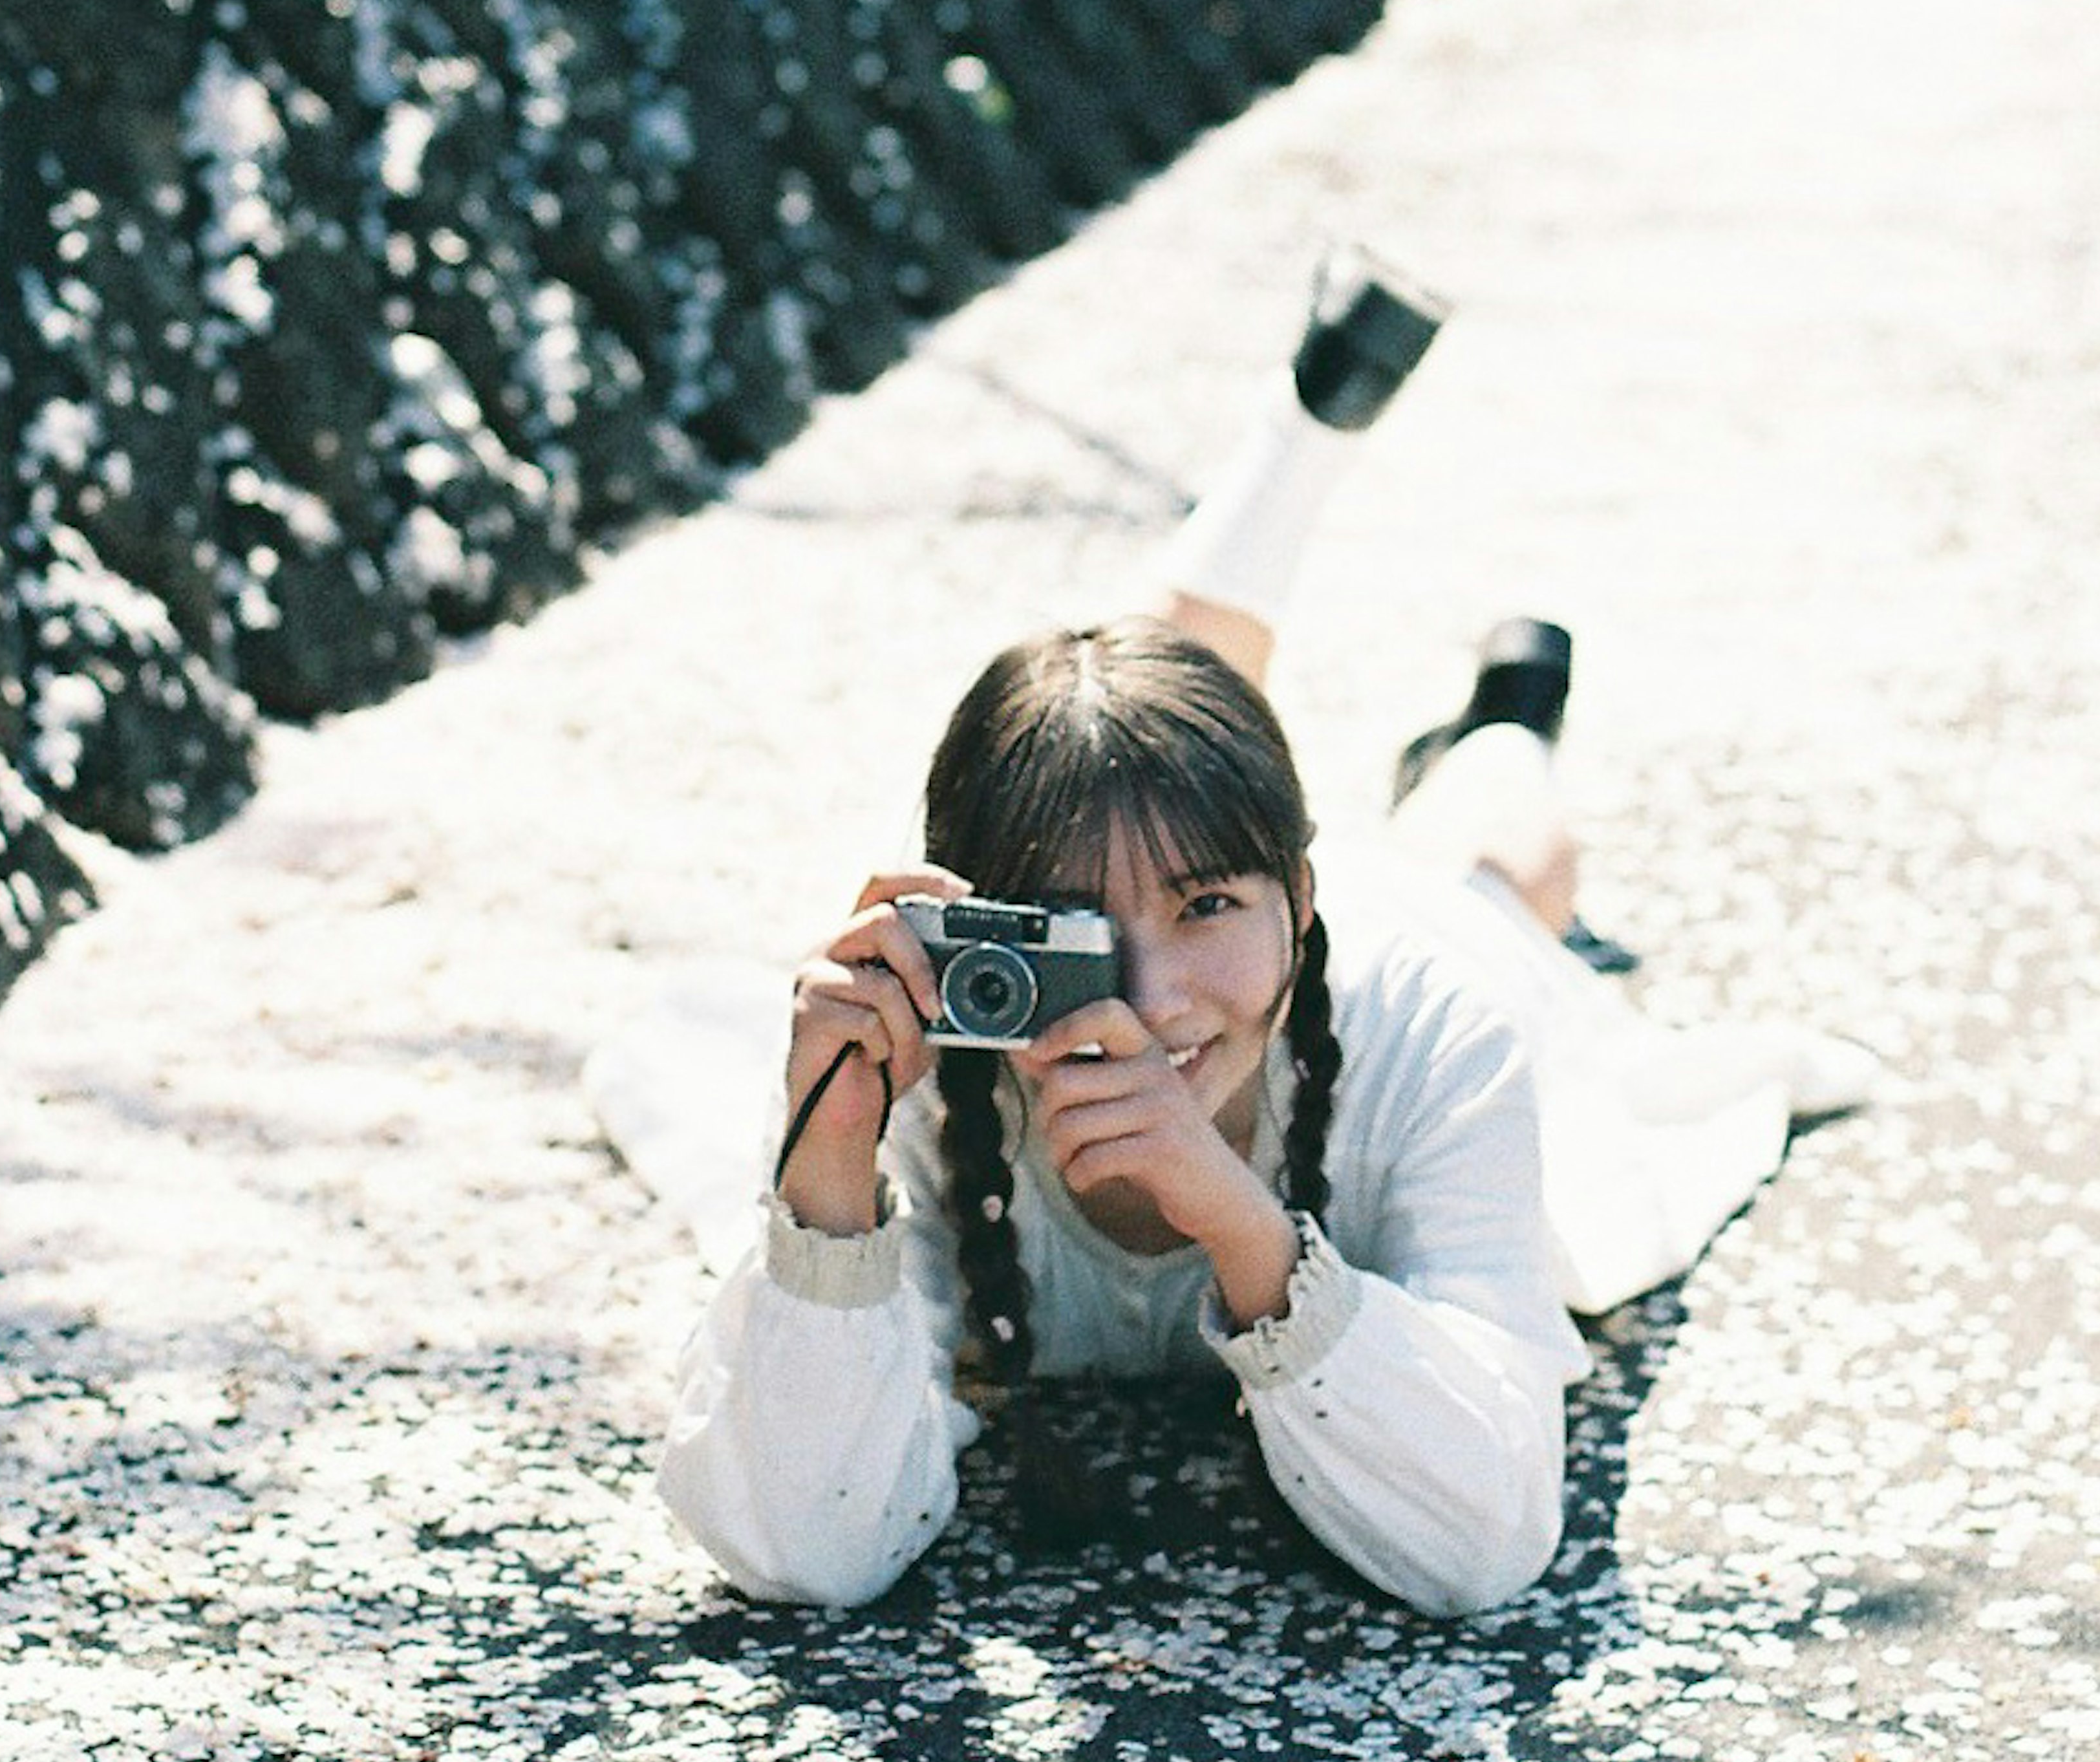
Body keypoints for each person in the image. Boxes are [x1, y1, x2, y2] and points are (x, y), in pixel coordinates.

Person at [635, 252, 1871, 1618]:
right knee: (1124, 748)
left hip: (1386, 956)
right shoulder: (924, 1056)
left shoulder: (1431, 1029)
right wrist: (825, 1165)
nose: (1150, 994)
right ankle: (1322, 496)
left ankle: (1507, 717)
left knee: (1512, 862)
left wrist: (1242, 1226)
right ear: (982, 920)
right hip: (1272, 949)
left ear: (1299, 885)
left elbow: (1485, 1543)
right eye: (1073, 924)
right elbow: (805, 1543)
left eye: (1208, 904)